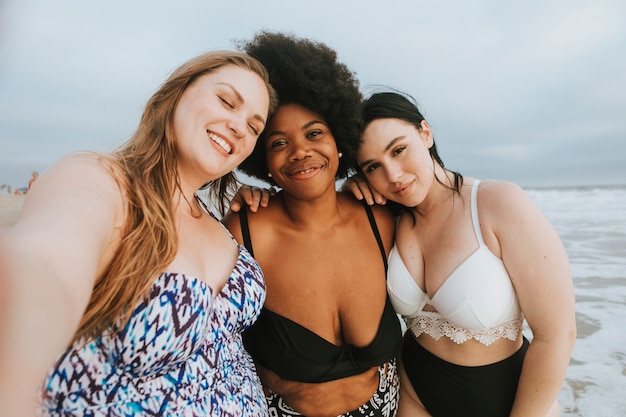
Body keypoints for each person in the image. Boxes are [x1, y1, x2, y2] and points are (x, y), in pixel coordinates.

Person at [0, 50, 277, 416]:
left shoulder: (219, 219)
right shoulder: (103, 181)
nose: (240, 126)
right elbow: (48, 264)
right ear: (175, 94)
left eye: (254, 127)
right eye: (226, 101)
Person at [345, 91, 577, 417]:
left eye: (399, 150)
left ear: (425, 133)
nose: (393, 175)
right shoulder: (388, 219)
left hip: (509, 402)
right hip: (414, 395)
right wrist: (345, 192)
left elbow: (557, 335)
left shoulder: (498, 203)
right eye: (373, 166)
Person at [221, 32, 403, 417]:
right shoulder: (246, 232)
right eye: (278, 142)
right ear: (263, 163)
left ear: (340, 140)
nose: (300, 151)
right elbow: (211, 337)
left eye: (314, 133)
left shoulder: (381, 218)